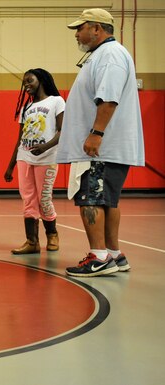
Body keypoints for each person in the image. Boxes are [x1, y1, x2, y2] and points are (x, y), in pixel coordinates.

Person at [58, 9, 144, 277]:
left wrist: (97, 133)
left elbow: (108, 97)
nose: (76, 34)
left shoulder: (109, 55)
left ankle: (99, 257)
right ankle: (114, 254)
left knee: (91, 198)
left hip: (101, 147)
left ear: (97, 28)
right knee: (108, 201)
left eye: (80, 28)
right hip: (105, 145)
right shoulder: (106, 54)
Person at [4, 69, 65, 254]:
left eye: (30, 80)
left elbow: (62, 131)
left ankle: (52, 234)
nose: (26, 84)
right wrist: (10, 166)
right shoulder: (26, 108)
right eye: (24, 82)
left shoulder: (57, 101)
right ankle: (32, 242)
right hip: (25, 157)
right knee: (28, 199)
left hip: (47, 158)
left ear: (42, 79)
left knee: (43, 198)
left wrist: (45, 147)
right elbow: (20, 138)